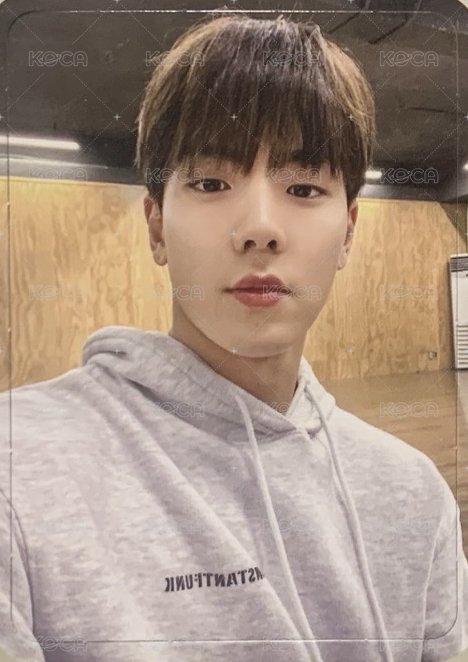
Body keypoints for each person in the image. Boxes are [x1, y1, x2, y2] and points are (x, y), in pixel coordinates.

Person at [0, 14, 467, 662]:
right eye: (211, 183)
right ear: (156, 226)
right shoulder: (20, 471)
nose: (260, 228)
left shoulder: (414, 497)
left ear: (348, 233)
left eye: (303, 187)